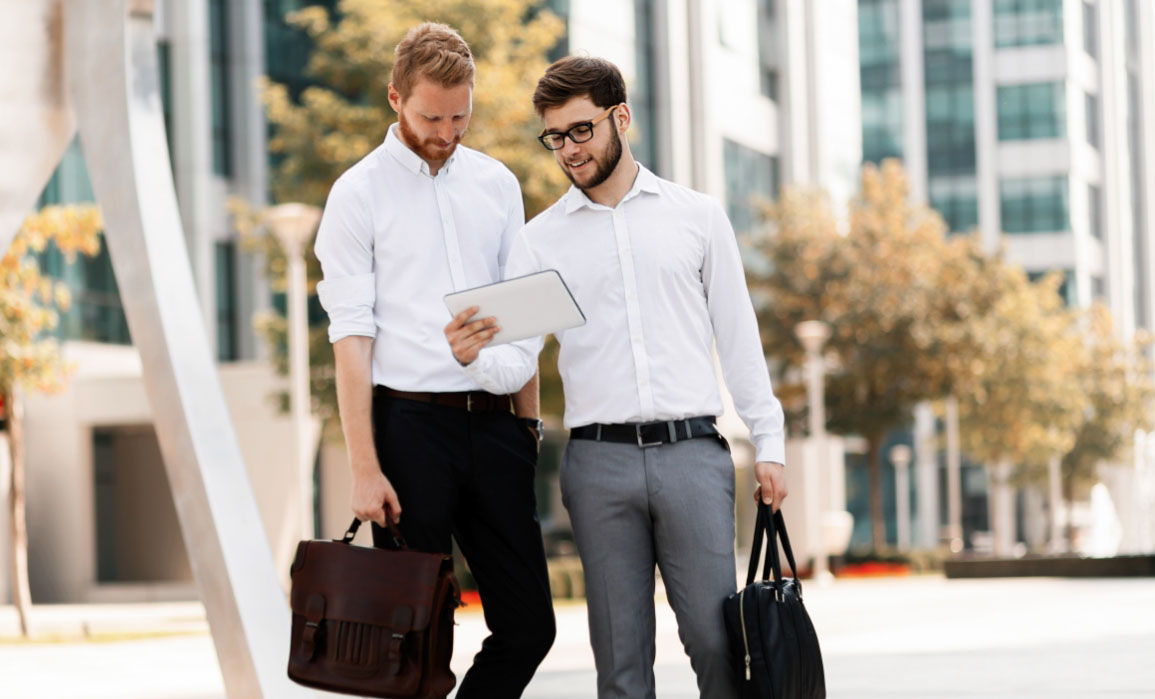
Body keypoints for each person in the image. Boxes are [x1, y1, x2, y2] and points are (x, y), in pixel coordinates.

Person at [444, 56, 790, 699]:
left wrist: (769, 441)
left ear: (620, 117)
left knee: (718, 643)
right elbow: (516, 362)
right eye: (555, 137)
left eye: (581, 131)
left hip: (693, 454)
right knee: (622, 668)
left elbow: (739, 337)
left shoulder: (697, 217)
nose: (569, 150)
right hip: (597, 465)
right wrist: (471, 356)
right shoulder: (540, 241)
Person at [314, 22, 555, 698]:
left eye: (459, 115)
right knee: (413, 637)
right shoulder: (356, 194)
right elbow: (350, 338)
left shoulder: (497, 185)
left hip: (496, 427)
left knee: (529, 626)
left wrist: (527, 427)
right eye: (431, 116)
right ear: (395, 98)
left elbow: (522, 310)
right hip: (406, 429)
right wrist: (364, 466)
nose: (447, 131)